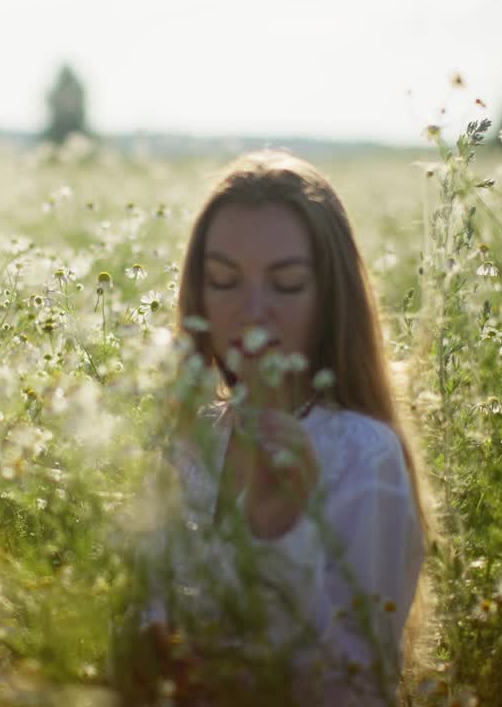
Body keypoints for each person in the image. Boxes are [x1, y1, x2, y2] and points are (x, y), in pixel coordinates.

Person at [118, 149, 435, 705]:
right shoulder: (192, 441)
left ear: (331, 299)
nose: (252, 310)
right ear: (198, 296)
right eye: (223, 280)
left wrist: (277, 536)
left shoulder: (363, 454)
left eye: (286, 284)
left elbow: (352, 687)